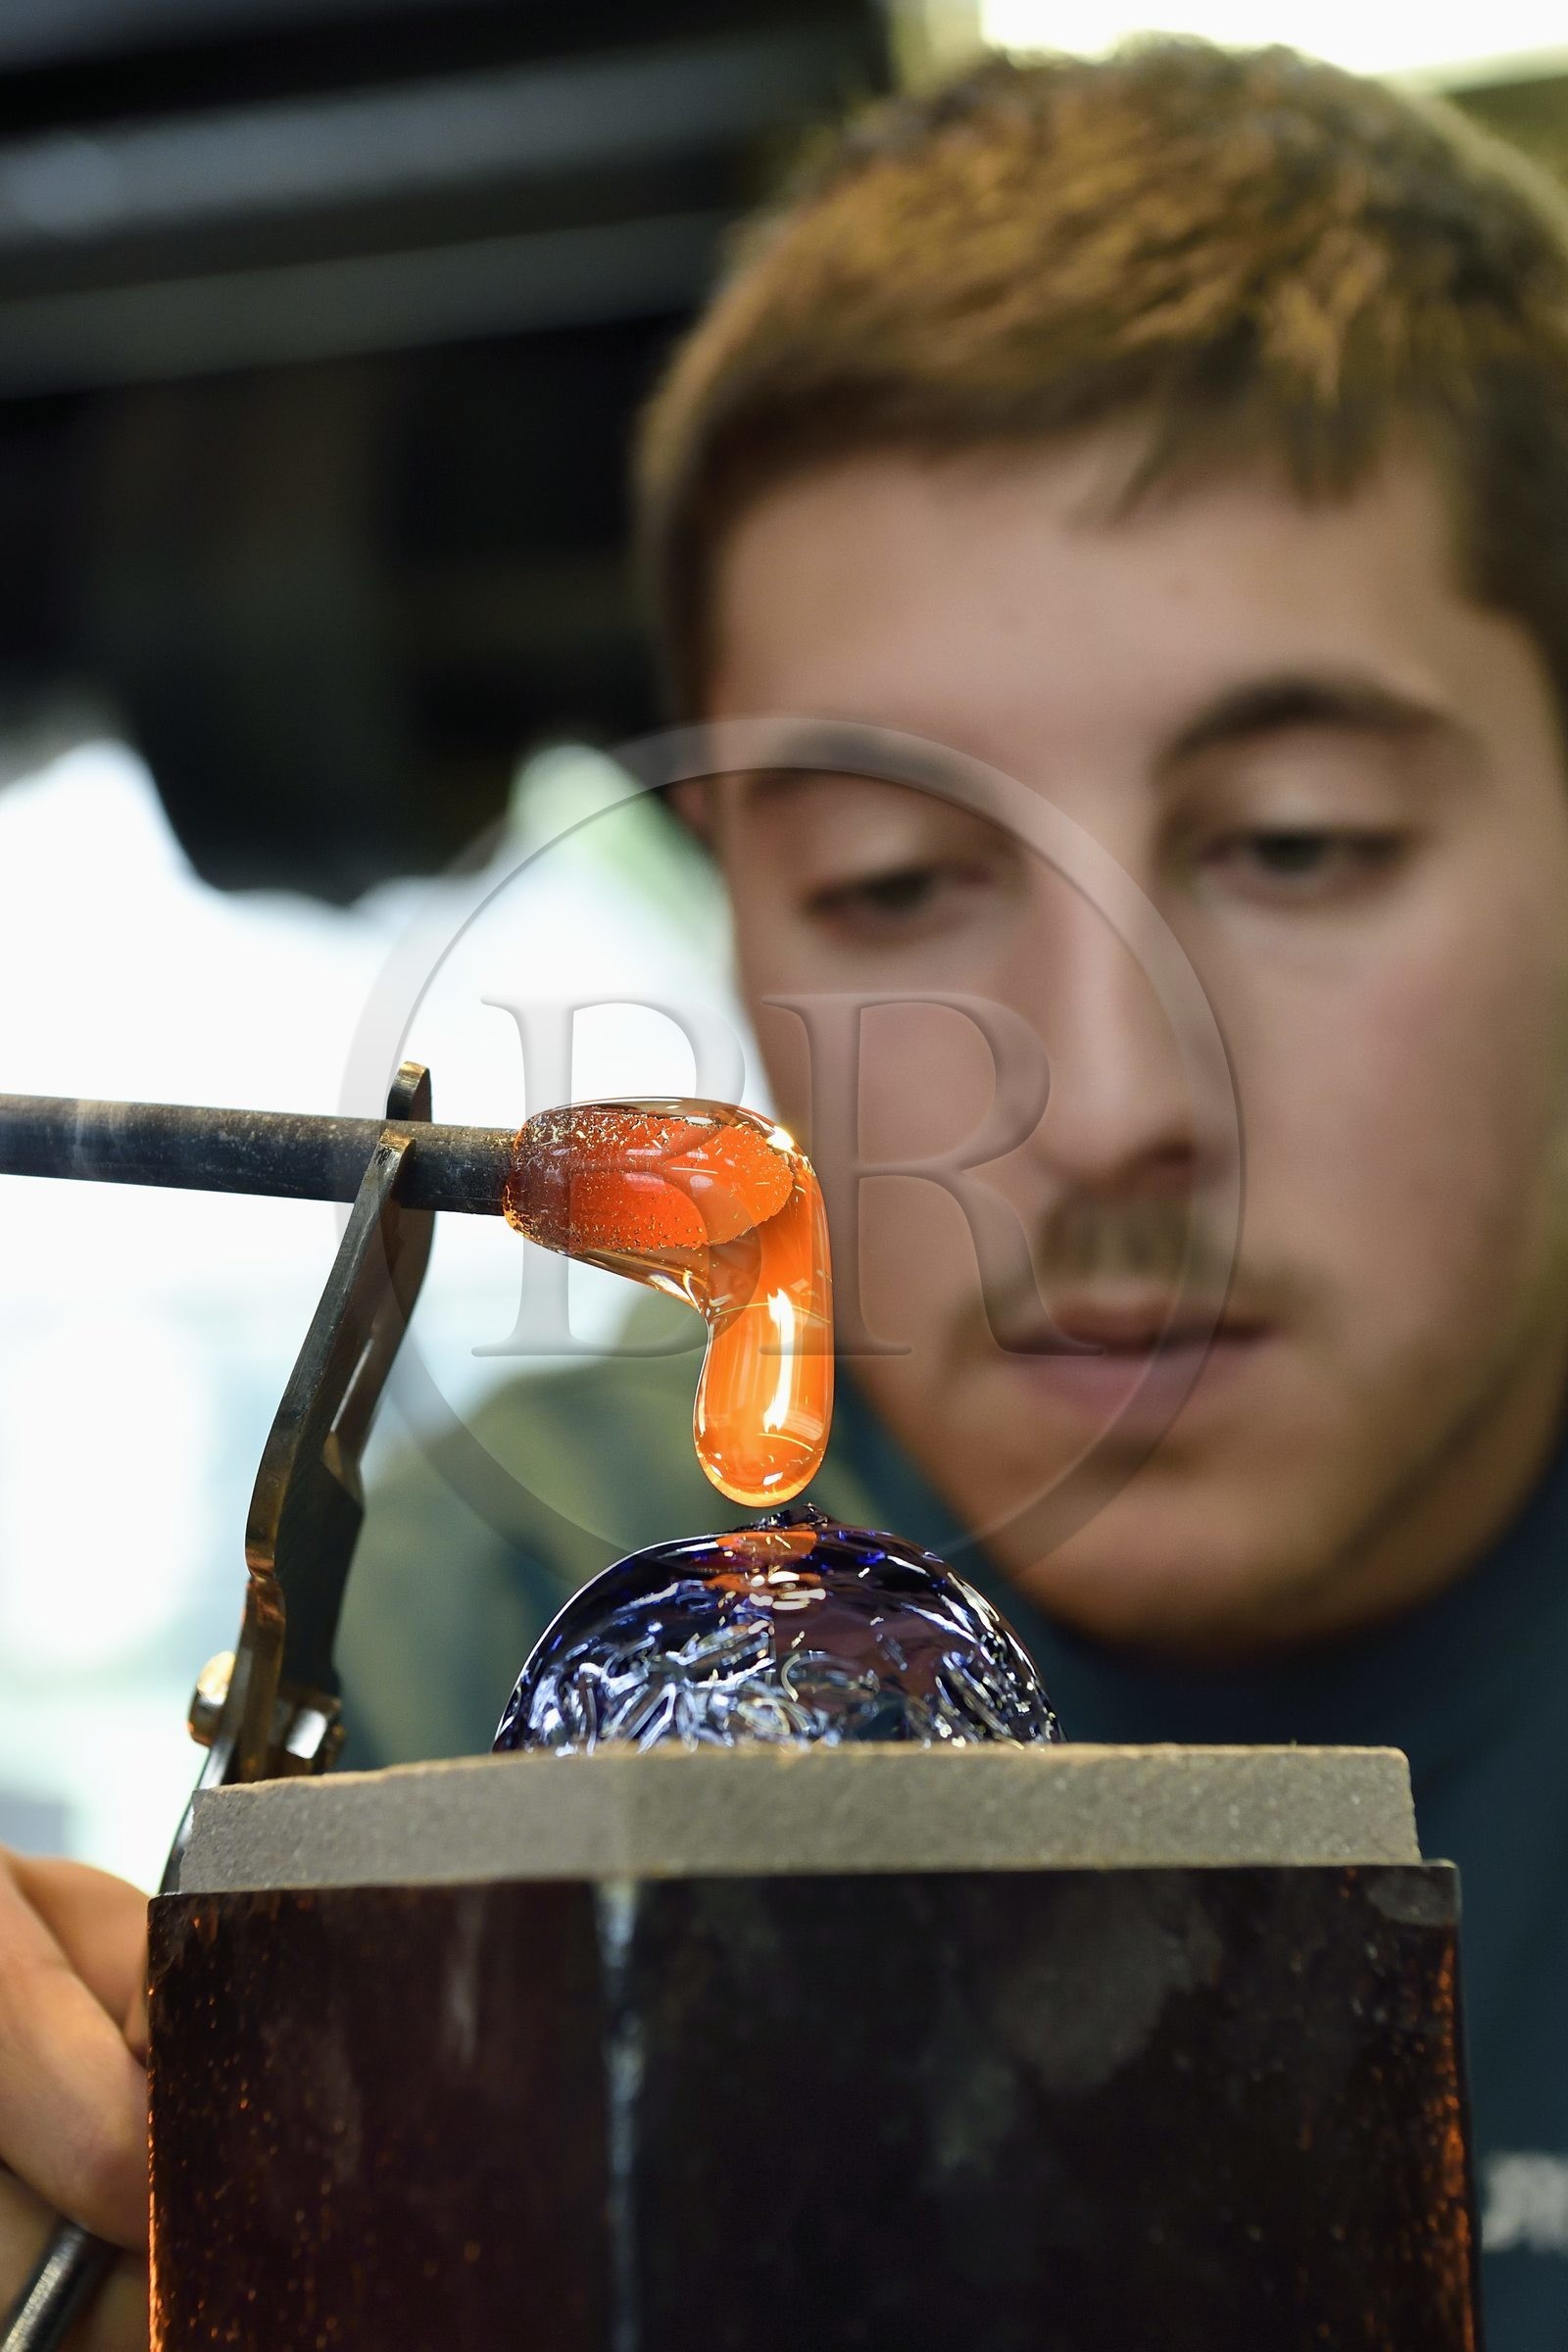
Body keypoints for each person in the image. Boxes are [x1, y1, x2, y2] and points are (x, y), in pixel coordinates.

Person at [7, 38, 1568, 2348]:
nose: (1110, 1097)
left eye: (1294, 846)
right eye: (898, 880)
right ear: (735, 908)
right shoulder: (498, 1645)